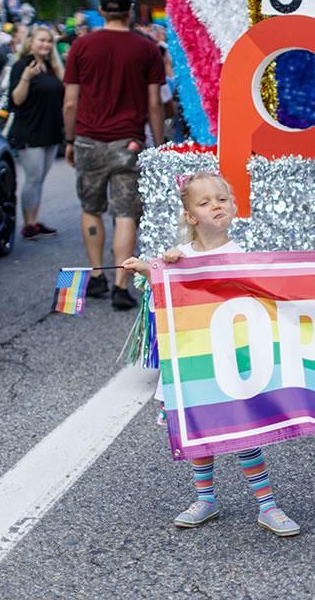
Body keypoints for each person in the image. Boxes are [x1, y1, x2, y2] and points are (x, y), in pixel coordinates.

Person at [121, 172, 300, 536]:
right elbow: (161, 297)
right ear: (190, 217)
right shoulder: (179, 258)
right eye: (204, 203)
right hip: (193, 365)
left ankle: (267, 505)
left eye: (221, 199)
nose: (215, 206)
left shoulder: (242, 257)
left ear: (233, 207)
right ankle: (206, 499)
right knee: (200, 432)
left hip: (233, 364)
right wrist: (151, 269)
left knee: (244, 434)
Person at [63, 0, 165, 310]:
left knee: (91, 209)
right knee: (126, 214)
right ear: (130, 9)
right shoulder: (147, 48)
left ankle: (96, 277)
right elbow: (154, 104)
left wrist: (69, 139)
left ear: (102, 10)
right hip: (129, 140)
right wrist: (159, 143)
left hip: (88, 140)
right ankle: (122, 285)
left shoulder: (81, 45)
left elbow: (70, 102)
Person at [8, 25, 64, 238]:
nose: (46, 45)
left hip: (49, 130)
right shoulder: (22, 65)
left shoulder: (52, 67)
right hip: (29, 130)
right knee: (33, 177)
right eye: (41, 40)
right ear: (31, 41)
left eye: (49, 41)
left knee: (40, 178)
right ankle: (28, 224)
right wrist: (26, 77)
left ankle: (34, 220)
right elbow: (16, 100)